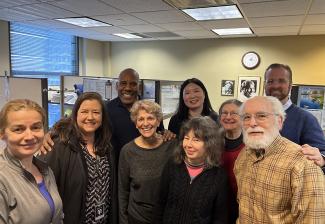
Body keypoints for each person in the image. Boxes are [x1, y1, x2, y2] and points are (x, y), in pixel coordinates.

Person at [235, 96, 325, 223]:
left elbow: (313, 220)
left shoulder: (302, 163)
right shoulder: (243, 156)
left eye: (261, 116)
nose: (252, 123)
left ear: (279, 121)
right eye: (246, 117)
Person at [43, 92, 117, 224]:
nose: (90, 117)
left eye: (96, 112)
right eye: (84, 112)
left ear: (102, 117)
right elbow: (45, 191)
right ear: (76, 114)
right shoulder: (60, 146)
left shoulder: (106, 147)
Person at [154, 116, 229, 224]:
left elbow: (219, 218)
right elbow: (160, 204)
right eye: (186, 138)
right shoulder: (173, 165)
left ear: (210, 144)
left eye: (196, 139)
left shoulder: (219, 176)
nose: (189, 145)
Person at [0, 99, 63, 223]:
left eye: (36, 127)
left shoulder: (45, 169)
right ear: (2, 134)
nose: (29, 136)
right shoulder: (2, 178)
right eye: (18, 129)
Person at [118, 100, 176, 224]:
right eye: (140, 119)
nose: (145, 123)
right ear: (135, 123)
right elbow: (123, 191)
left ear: (158, 121)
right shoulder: (127, 151)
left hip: (166, 216)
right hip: (137, 217)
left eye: (150, 118)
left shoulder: (171, 145)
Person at [264, 63, 325, 169]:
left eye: (281, 81)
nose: (275, 85)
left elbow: (321, 153)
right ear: (264, 85)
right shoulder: (255, 116)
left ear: (290, 85)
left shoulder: (306, 119)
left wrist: (322, 158)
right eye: (270, 81)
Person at [219, 99, 244, 224]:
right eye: (224, 113)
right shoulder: (212, 142)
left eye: (234, 113)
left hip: (242, 205)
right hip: (218, 204)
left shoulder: (252, 145)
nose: (228, 117)